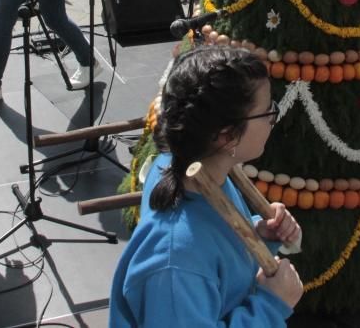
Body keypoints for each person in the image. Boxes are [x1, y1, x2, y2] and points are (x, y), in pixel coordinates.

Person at [109, 46, 303, 326]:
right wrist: (270, 306)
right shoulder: (177, 262)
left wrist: (258, 234)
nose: (273, 116)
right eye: (266, 111)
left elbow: (215, 246)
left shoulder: (186, 167)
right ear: (227, 136)